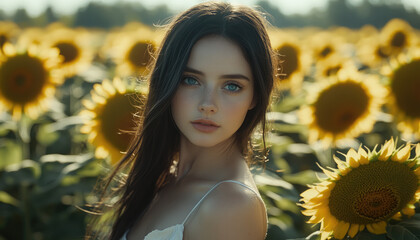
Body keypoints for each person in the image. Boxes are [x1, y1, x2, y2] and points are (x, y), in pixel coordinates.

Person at [86, 1, 277, 239]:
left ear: (255, 97)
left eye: (231, 86)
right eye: (191, 80)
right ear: (167, 80)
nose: (208, 104)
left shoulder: (232, 205)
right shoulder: (165, 177)